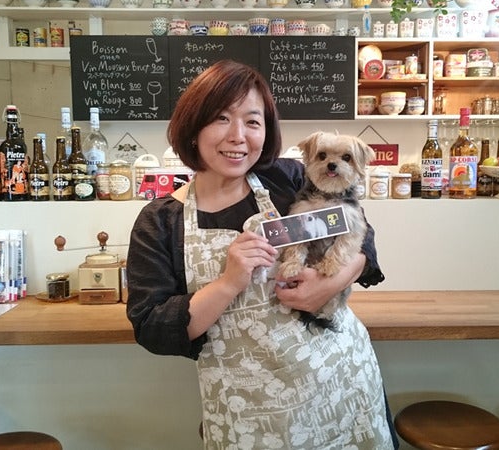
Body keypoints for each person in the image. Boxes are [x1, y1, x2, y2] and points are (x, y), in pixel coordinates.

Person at [127, 60, 396, 449]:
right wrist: (227, 283)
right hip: (250, 411)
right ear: (193, 127)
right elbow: (152, 328)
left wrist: (328, 284)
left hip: (340, 383)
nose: (238, 136)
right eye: (220, 118)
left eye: (252, 121)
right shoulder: (161, 221)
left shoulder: (288, 178)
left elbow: (360, 234)